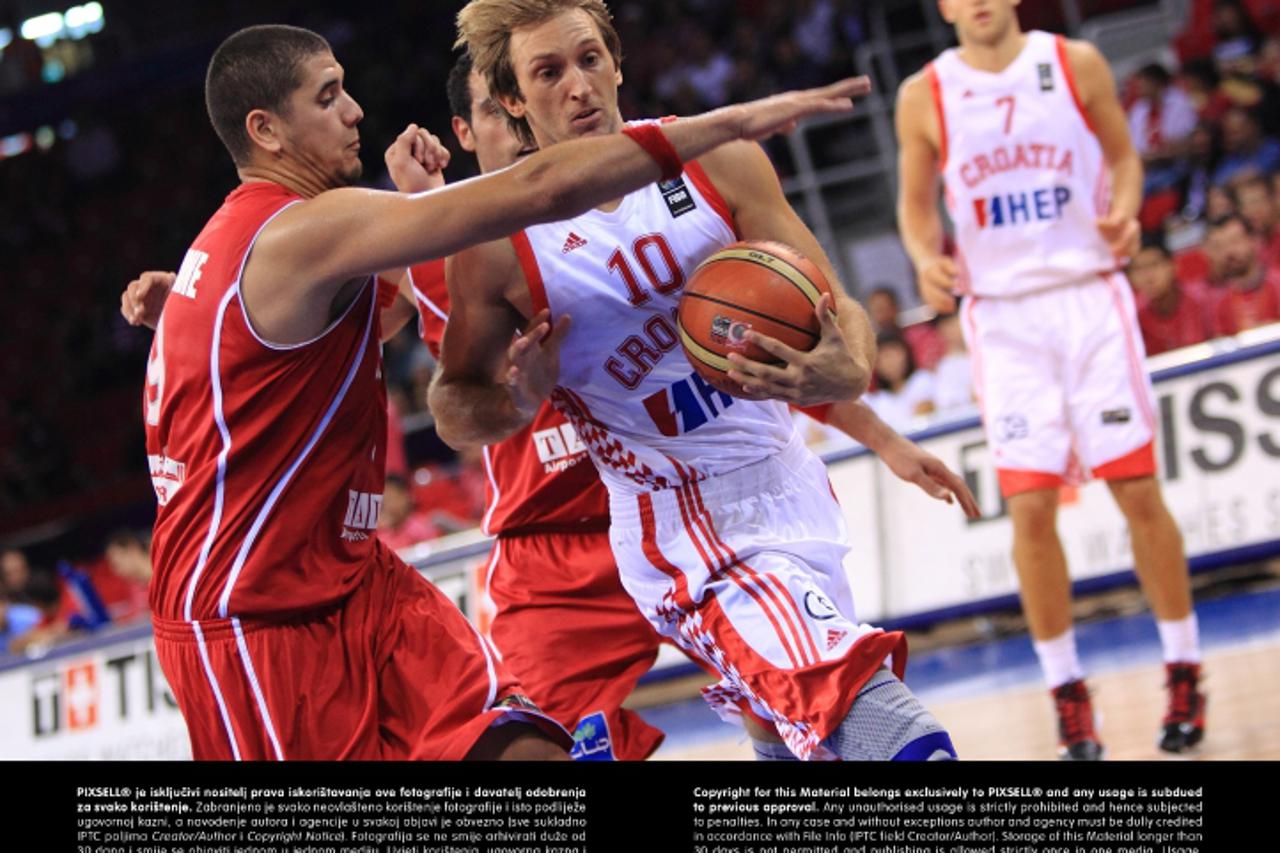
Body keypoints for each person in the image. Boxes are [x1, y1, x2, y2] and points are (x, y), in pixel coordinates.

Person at [125, 50, 979, 762]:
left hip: (379, 574)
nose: (356, 110)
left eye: (586, 64)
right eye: (328, 97)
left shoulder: (305, 247)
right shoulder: (413, 240)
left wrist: (880, 432)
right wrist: (724, 123)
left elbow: (759, 348)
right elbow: (481, 308)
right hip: (279, 604)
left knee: (535, 749)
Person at [438, 0, 959, 762]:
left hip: (791, 480)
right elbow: (453, 405)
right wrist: (519, 396)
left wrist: (844, 361)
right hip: (682, 526)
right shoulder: (496, 243)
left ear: (616, 62)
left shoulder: (718, 160)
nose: (578, 86)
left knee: (799, 741)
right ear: (514, 101)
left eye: (589, 60)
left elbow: (833, 302)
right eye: (548, 73)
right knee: (899, 736)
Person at [895, 0, 1205, 758]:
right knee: (1030, 507)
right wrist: (926, 257)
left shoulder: (1075, 62)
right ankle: (1067, 693)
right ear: (943, 5)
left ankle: (1184, 668)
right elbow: (913, 206)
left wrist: (1126, 211)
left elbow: (1125, 159)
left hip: (1087, 297)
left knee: (1137, 489)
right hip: (1003, 319)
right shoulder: (924, 92)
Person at [1129, 237, 1215, 356]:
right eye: (1138, 269)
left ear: (1173, 266)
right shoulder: (1133, 317)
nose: (1148, 277)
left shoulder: (1203, 300)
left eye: (1154, 265)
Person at [1202, 213, 1280, 334]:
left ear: (1254, 240)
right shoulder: (1214, 303)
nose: (1229, 252)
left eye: (1235, 241)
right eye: (1219, 246)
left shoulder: (1277, 284)